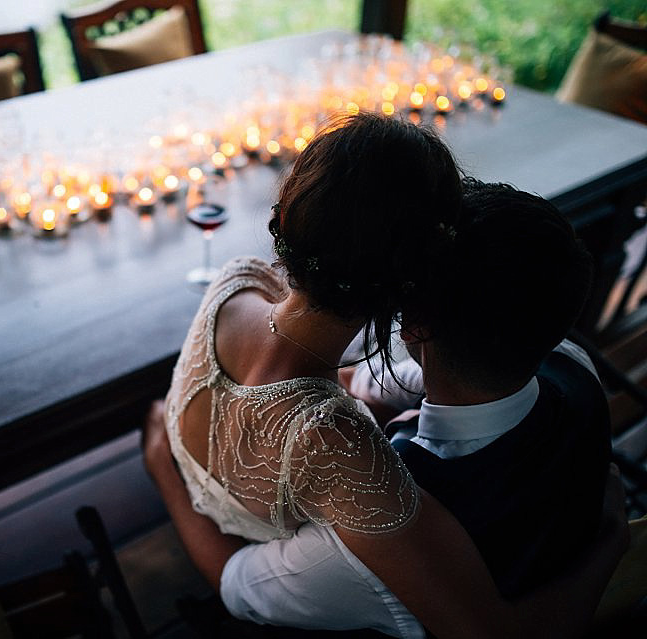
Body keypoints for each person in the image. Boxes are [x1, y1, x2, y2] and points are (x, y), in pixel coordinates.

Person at [146, 114, 629, 638]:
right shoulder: (569, 362)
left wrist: (163, 466)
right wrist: (613, 542)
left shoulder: (236, 281)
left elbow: (240, 589)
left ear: (286, 217)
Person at [345, 179, 611, 599]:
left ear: (414, 323)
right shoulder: (569, 362)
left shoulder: (390, 506)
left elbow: (241, 587)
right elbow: (415, 377)